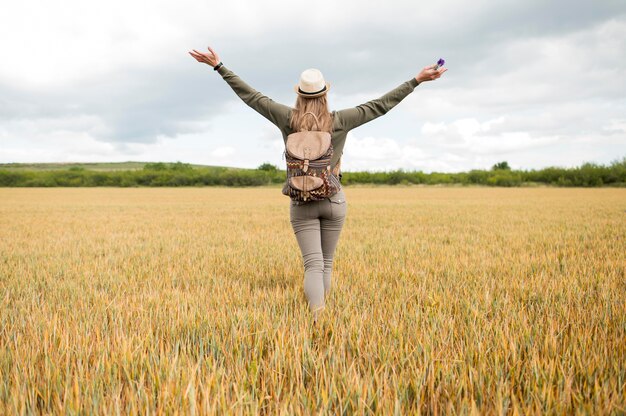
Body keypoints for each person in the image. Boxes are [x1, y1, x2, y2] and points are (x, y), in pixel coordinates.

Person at [189, 46, 447, 324]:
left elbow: (252, 97)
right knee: (326, 263)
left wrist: (220, 67)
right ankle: (323, 320)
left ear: (298, 95)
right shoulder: (340, 120)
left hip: (301, 203)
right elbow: (380, 105)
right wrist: (416, 80)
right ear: (325, 93)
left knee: (312, 264)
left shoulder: (287, 118)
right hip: (334, 200)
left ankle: (317, 320)